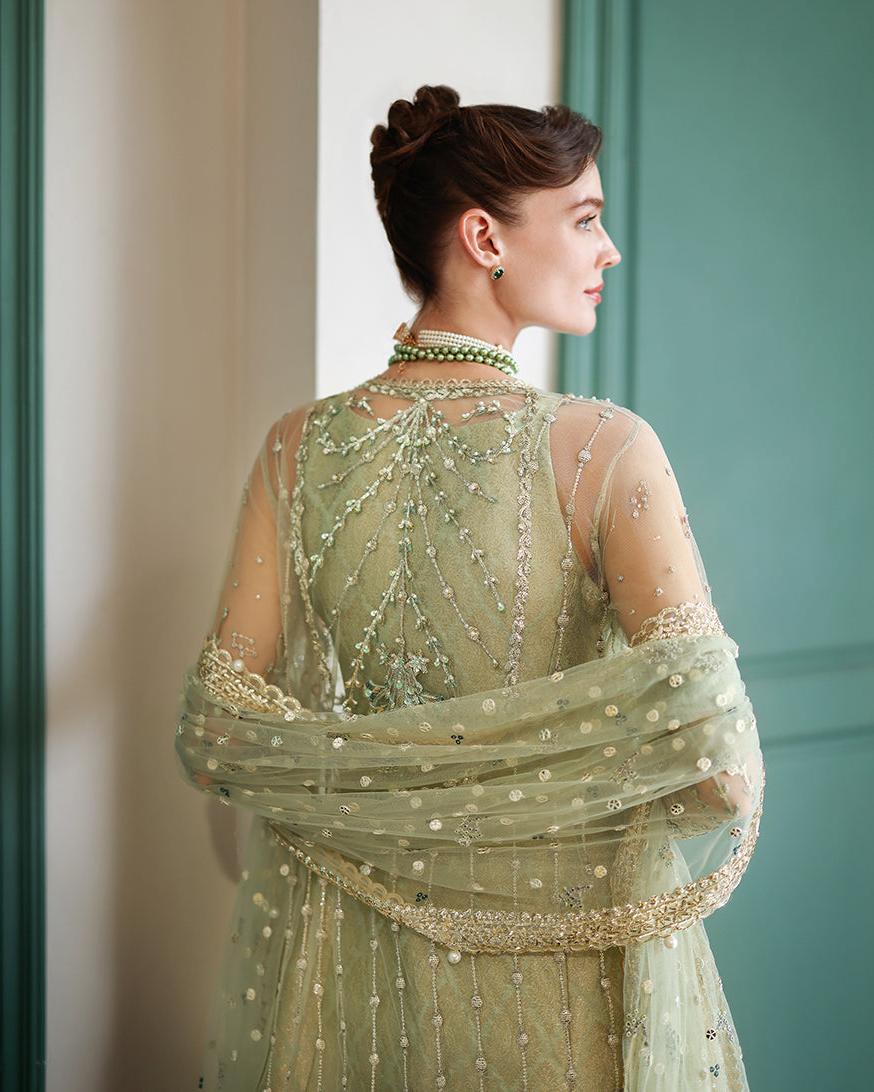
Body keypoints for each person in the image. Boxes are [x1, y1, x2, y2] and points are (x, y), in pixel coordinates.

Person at [176, 85, 763, 1091]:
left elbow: (222, 733)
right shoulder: (604, 450)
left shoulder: (295, 448)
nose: (610, 249)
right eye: (585, 218)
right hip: (557, 967)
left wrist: (382, 799)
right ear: (484, 237)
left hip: (355, 977)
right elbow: (723, 775)